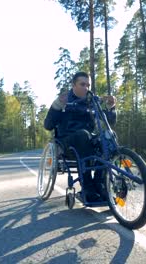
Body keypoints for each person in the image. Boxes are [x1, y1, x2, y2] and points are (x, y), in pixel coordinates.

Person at [44, 71, 116, 202]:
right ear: (73, 85)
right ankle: (87, 187)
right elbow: (48, 125)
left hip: (88, 140)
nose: (86, 88)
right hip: (66, 141)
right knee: (83, 135)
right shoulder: (64, 100)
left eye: (88, 85)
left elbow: (109, 121)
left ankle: (100, 185)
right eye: (82, 84)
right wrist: (56, 106)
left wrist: (111, 107)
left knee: (109, 137)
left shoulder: (91, 100)